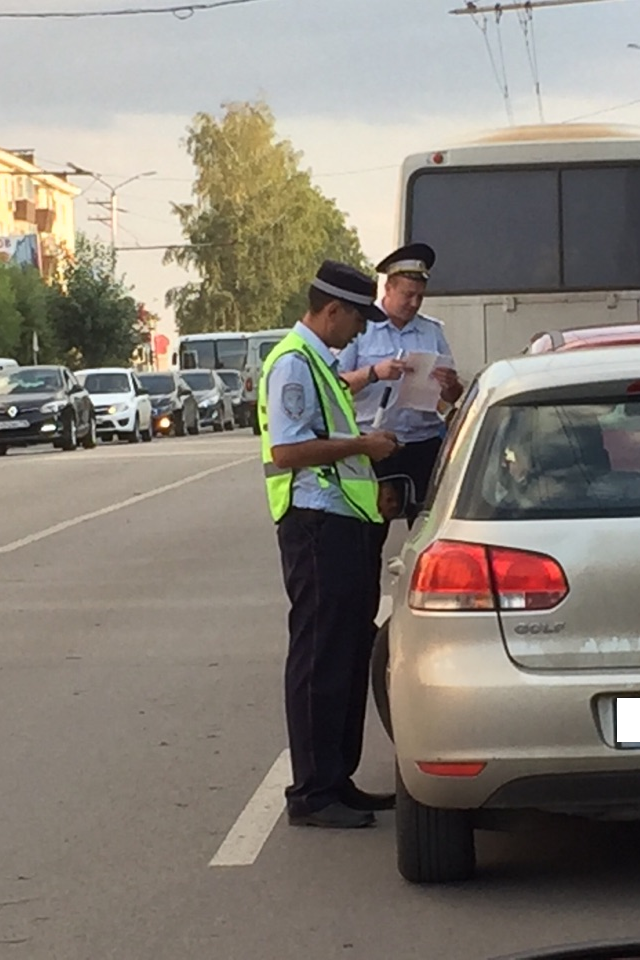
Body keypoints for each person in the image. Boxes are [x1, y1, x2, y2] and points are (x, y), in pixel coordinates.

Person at [259, 260, 401, 830]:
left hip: (341, 523)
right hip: (315, 525)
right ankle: (313, 791)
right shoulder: (294, 364)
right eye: (357, 320)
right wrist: (363, 445)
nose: (361, 332)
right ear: (332, 310)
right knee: (320, 656)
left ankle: (337, 779)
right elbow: (288, 452)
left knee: (345, 652)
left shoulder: (321, 362)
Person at [338, 242, 465, 520]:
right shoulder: (361, 328)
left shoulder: (431, 331)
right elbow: (335, 386)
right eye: (408, 295)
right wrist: (373, 373)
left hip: (424, 442)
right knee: (370, 532)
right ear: (389, 288)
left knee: (428, 527)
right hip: (373, 442)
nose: (414, 303)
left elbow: (454, 395)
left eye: (420, 296)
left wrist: (450, 384)